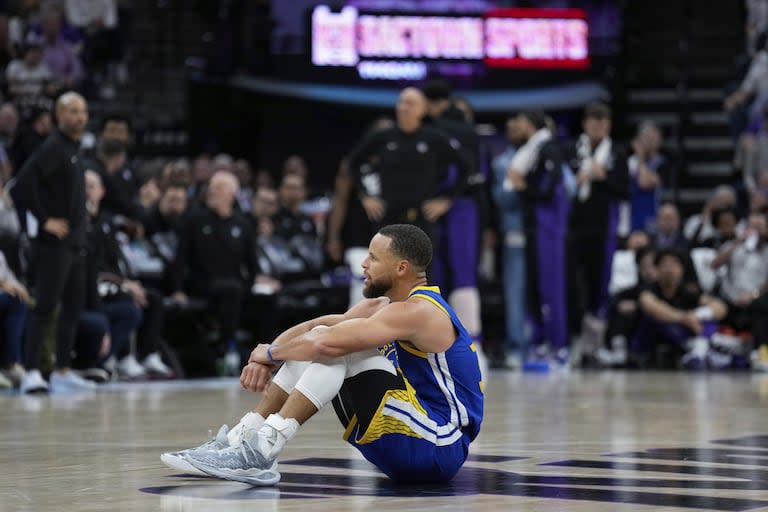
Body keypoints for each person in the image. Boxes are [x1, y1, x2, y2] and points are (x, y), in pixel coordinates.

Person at [163, 224, 483, 486]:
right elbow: (317, 326)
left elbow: (326, 344)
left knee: (339, 349)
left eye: (373, 257)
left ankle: (262, 449)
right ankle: (241, 439)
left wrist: (270, 352)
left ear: (401, 268)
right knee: (326, 340)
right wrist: (264, 356)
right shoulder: (381, 307)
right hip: (412, 441)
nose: (363, 264)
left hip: (440, 445)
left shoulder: (421, 311)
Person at [10, 91, 94, 393]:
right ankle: (32, 370)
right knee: (45, 307)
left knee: (72, 308)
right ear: (59, 115)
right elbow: (21, 187)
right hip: (53, 246)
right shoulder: (53, 147)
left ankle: (61, 370)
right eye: (72, 111)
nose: (79, 116)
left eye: (82, 111)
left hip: (74, 243)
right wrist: (45, 219)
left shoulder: (74, 147)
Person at [346, 88, 472, 242]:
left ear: (422, 109)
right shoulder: (382, 137)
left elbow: (466, 166)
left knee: (421, 265)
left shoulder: (434, 138)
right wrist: (365, 195)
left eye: (410, 103)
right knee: (385, 264)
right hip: (388, 217)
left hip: (421, 219)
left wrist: (446, 200)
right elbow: (352, 162)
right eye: (401, 102)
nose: (404, 107)